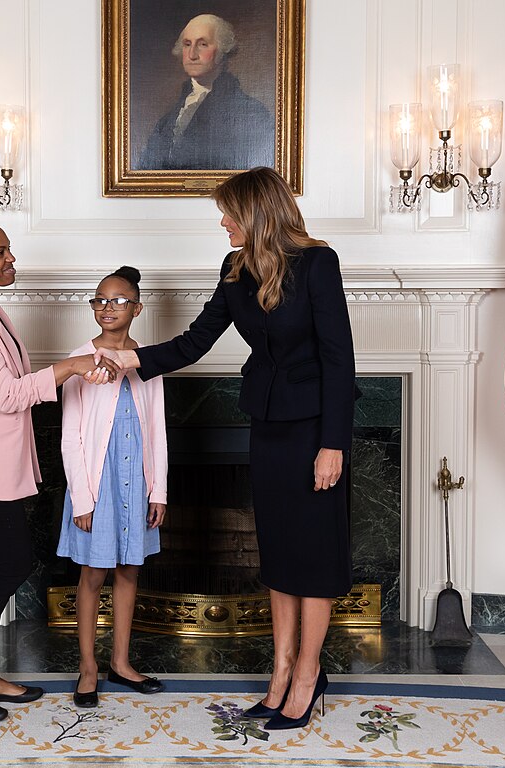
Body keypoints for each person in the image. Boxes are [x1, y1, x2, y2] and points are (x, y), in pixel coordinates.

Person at [96, 167, 355, 731]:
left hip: (315, 430)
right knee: (281, 554)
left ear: (257, 213)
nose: (222, 222)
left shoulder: (317, 263)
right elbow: (195, 340)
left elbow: (340, 357)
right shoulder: (234, 269)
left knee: (315, 554)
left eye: (229, 213)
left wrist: (334, 443)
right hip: (267, 425)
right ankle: (281, 669)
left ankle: (309, 673)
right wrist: (131, 359)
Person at [0, 218, 117, 724]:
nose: (11, 259)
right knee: (10, 564)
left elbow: (5, 381)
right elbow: (6, 394)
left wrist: (67, 369)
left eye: (9, 251)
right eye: (0, 252)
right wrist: (71, 368)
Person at [56, 266, 168, 708]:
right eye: (99, 299)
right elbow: (71, 435)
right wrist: (82, 497)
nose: (107, 307)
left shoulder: (149, 360)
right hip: (97, 486)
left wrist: (157, 489)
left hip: (135, 482)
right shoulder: (80, 360)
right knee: (92, 574)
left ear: (136, 308)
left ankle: (121, 662)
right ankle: (88, 667)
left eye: (118, 300)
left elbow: (156, 427)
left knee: (128, 571)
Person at [138, 14, 275, 170]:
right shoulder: (167, 120)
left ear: (223, 50)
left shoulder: (252, 113)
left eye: (202, 44)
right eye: (187, 44)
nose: (192, 55)